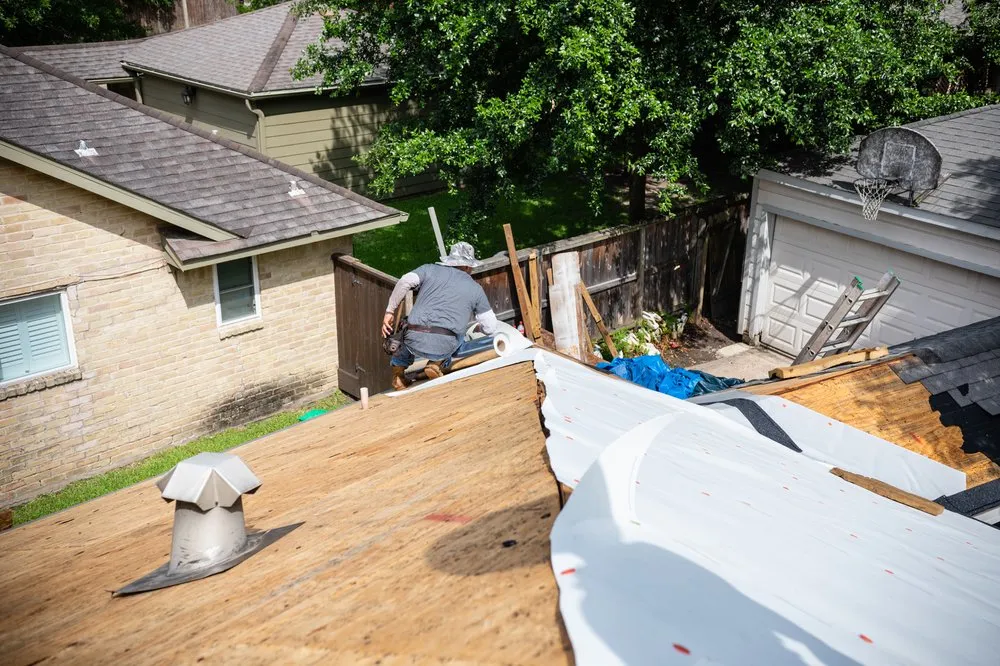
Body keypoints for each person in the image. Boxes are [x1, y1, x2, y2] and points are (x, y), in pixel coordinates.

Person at [382, 242, 500, 390]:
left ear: (449, 261)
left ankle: (398, 375)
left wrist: (389, 311)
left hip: (413, 337)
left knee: (407, 328)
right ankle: (435, 364)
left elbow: (405, 281)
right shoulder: (476, 289)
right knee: (459, 335)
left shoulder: (429, 269)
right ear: (468, 267)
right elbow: (491, 327)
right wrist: (479, 330)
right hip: (443, 343)